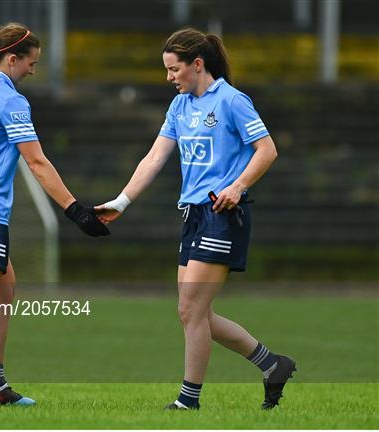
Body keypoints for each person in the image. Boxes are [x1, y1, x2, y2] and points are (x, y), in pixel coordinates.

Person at [96, 28, 296, 410]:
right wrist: (121, 202)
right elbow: (154, 158)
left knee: (191, 309)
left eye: (174, 69)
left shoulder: (232, 101)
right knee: (194, 312)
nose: (169, 77)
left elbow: (267, 150)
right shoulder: (180, 106)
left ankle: (189, 401)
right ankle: (273, 365)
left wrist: (236, 186)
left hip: (223, 214)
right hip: (192, 214)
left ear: (197, 65)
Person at [0, 22, 109, 408]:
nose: (33, 70)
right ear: (12, 58)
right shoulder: (9, 101)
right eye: (31, 63)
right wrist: (76, 211)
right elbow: (37, 162)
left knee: (4, 287)